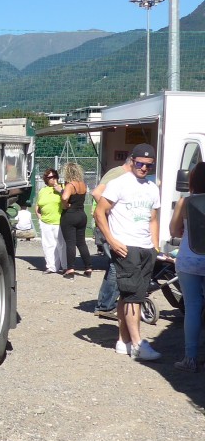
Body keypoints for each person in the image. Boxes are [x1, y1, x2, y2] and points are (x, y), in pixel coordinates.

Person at [94, 144, 161, 361]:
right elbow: (99, 212)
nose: (144, 168)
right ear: (132, 161)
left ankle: (123, 342)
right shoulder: (118, 183)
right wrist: (112, 241)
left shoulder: (152, 188)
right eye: (140, 163)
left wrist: (155, 246)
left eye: (149, 165)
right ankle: (138, 344)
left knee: (129, 295)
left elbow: (153, 219)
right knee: (134, 296)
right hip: (125, 246)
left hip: (145, 247)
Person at [169, 161, 205, 372]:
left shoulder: (185, 202)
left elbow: (174, 230)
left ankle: (190, 358)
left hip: (189, 259)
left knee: (192, 308)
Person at [92, 157, 133, 319]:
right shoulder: (118, 173)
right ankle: (106, 306)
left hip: (114, 227)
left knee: (114, 266)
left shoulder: (124, 175)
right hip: (109, 227)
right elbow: (96, 193)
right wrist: (111, 211)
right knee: (117, 265)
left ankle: (105, 304)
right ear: (132, 161)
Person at [59, 161, 92, 276]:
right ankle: (88, 267)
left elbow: (65, 197)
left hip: (70, 215)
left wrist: (65, 205)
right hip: (81, 214)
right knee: (81, 243)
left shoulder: (70, 185)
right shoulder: (83, 184)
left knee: (70, 243)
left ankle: (70, 268)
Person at [35, 168, 66, 274]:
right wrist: (39, 217)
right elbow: (38, 205)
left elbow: (67, 201)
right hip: (45, 222)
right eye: (50, 177)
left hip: (59, 221)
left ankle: (65, 266)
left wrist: (60, 190)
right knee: (48, 245)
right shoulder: (42, 191)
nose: (52, 179)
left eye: (54, 177)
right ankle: (51, 267)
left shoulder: (62, 188)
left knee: (61, 245)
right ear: (46, 179)